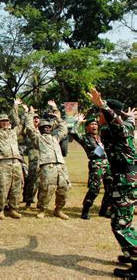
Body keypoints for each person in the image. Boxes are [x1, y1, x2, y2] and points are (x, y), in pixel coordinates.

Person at [87, 89, 137, 278]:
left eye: (99, 114)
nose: (97, 117)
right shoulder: (126, 126)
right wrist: (129, 115)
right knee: (124, 220)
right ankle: (130, 253)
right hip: (126, 182)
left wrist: (103, 105)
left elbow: (117, 122)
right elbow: (126, 122)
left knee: (120, 225)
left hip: (125, 183)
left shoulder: (119, 129)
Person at [23, 101, 70, 220]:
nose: (47, 129)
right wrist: (30, 114)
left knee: (63, 189)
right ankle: (42, 210)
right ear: (40, 128)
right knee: (47, 189)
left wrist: (57, 116)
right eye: (44, 127)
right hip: (48, 167)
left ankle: (58, 210)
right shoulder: (38, 138)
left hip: (61, 166)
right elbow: (29, 128)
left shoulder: (56, 138)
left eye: (49, 127)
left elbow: (64, 129)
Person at [70, 113, 111, 219]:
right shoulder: (85, 138)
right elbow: (72, 132)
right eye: (91, 124)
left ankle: (104, 210)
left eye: (96, 124)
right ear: (87, 128)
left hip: (108, 164)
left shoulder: (102, 136)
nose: (94, 126)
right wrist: (77, 121)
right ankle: (85, 210)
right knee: (94, 188)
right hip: (96, 164)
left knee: (110, 188)